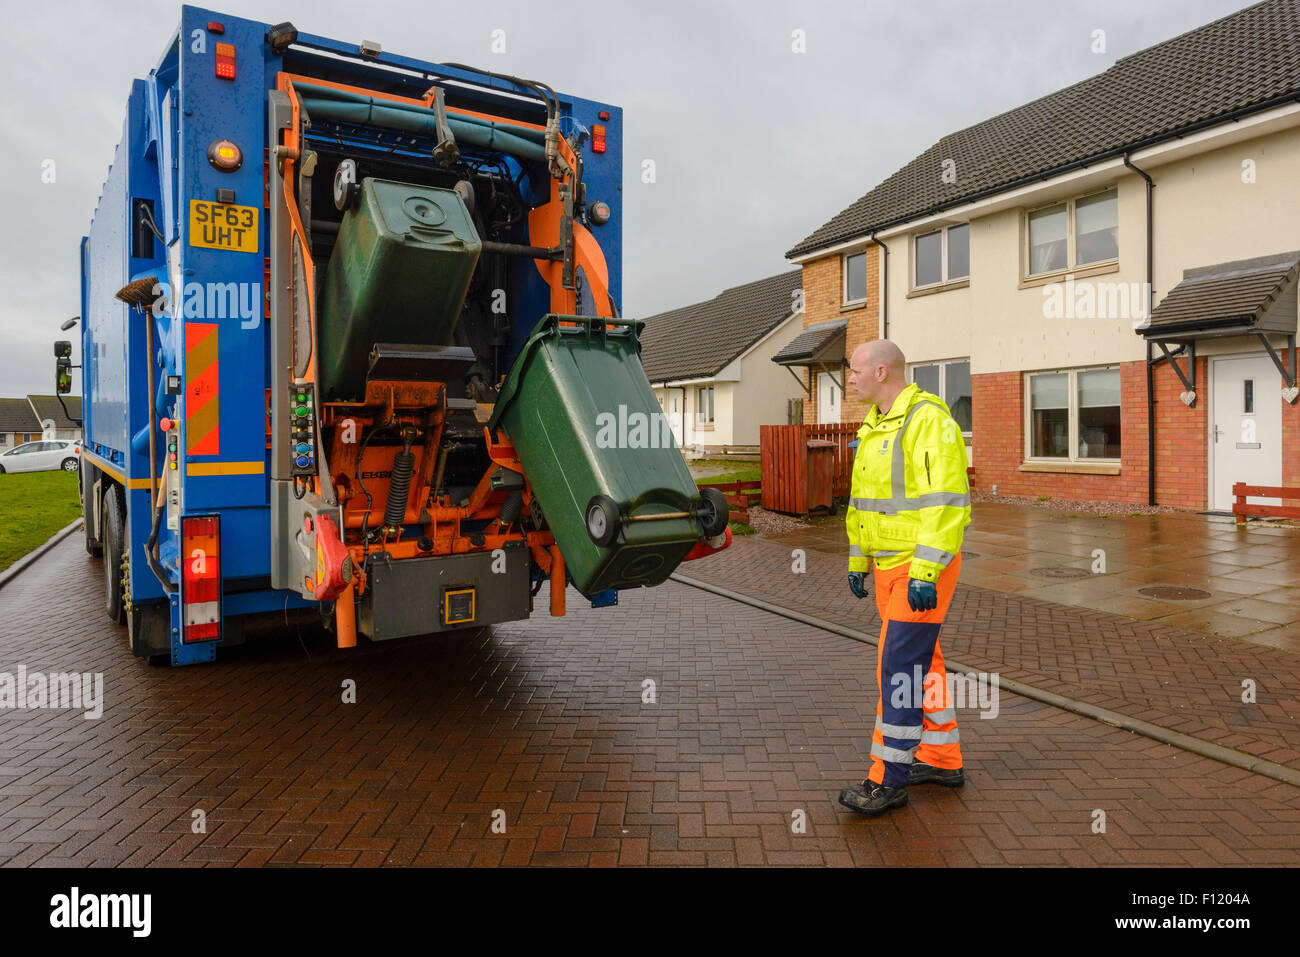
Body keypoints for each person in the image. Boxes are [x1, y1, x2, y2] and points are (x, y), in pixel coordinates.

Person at [836, 340, 971, 817]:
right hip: (889, 566)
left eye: (853, 371)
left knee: (898, 669)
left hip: (920, 569)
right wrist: (858, 560)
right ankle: (941, 758)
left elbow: (948, 502)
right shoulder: (874, 426)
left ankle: (887, 779)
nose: (849, 378)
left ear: (880, 370)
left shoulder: (927, 421)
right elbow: (861, 505)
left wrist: (926, 571)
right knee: (923, 664)